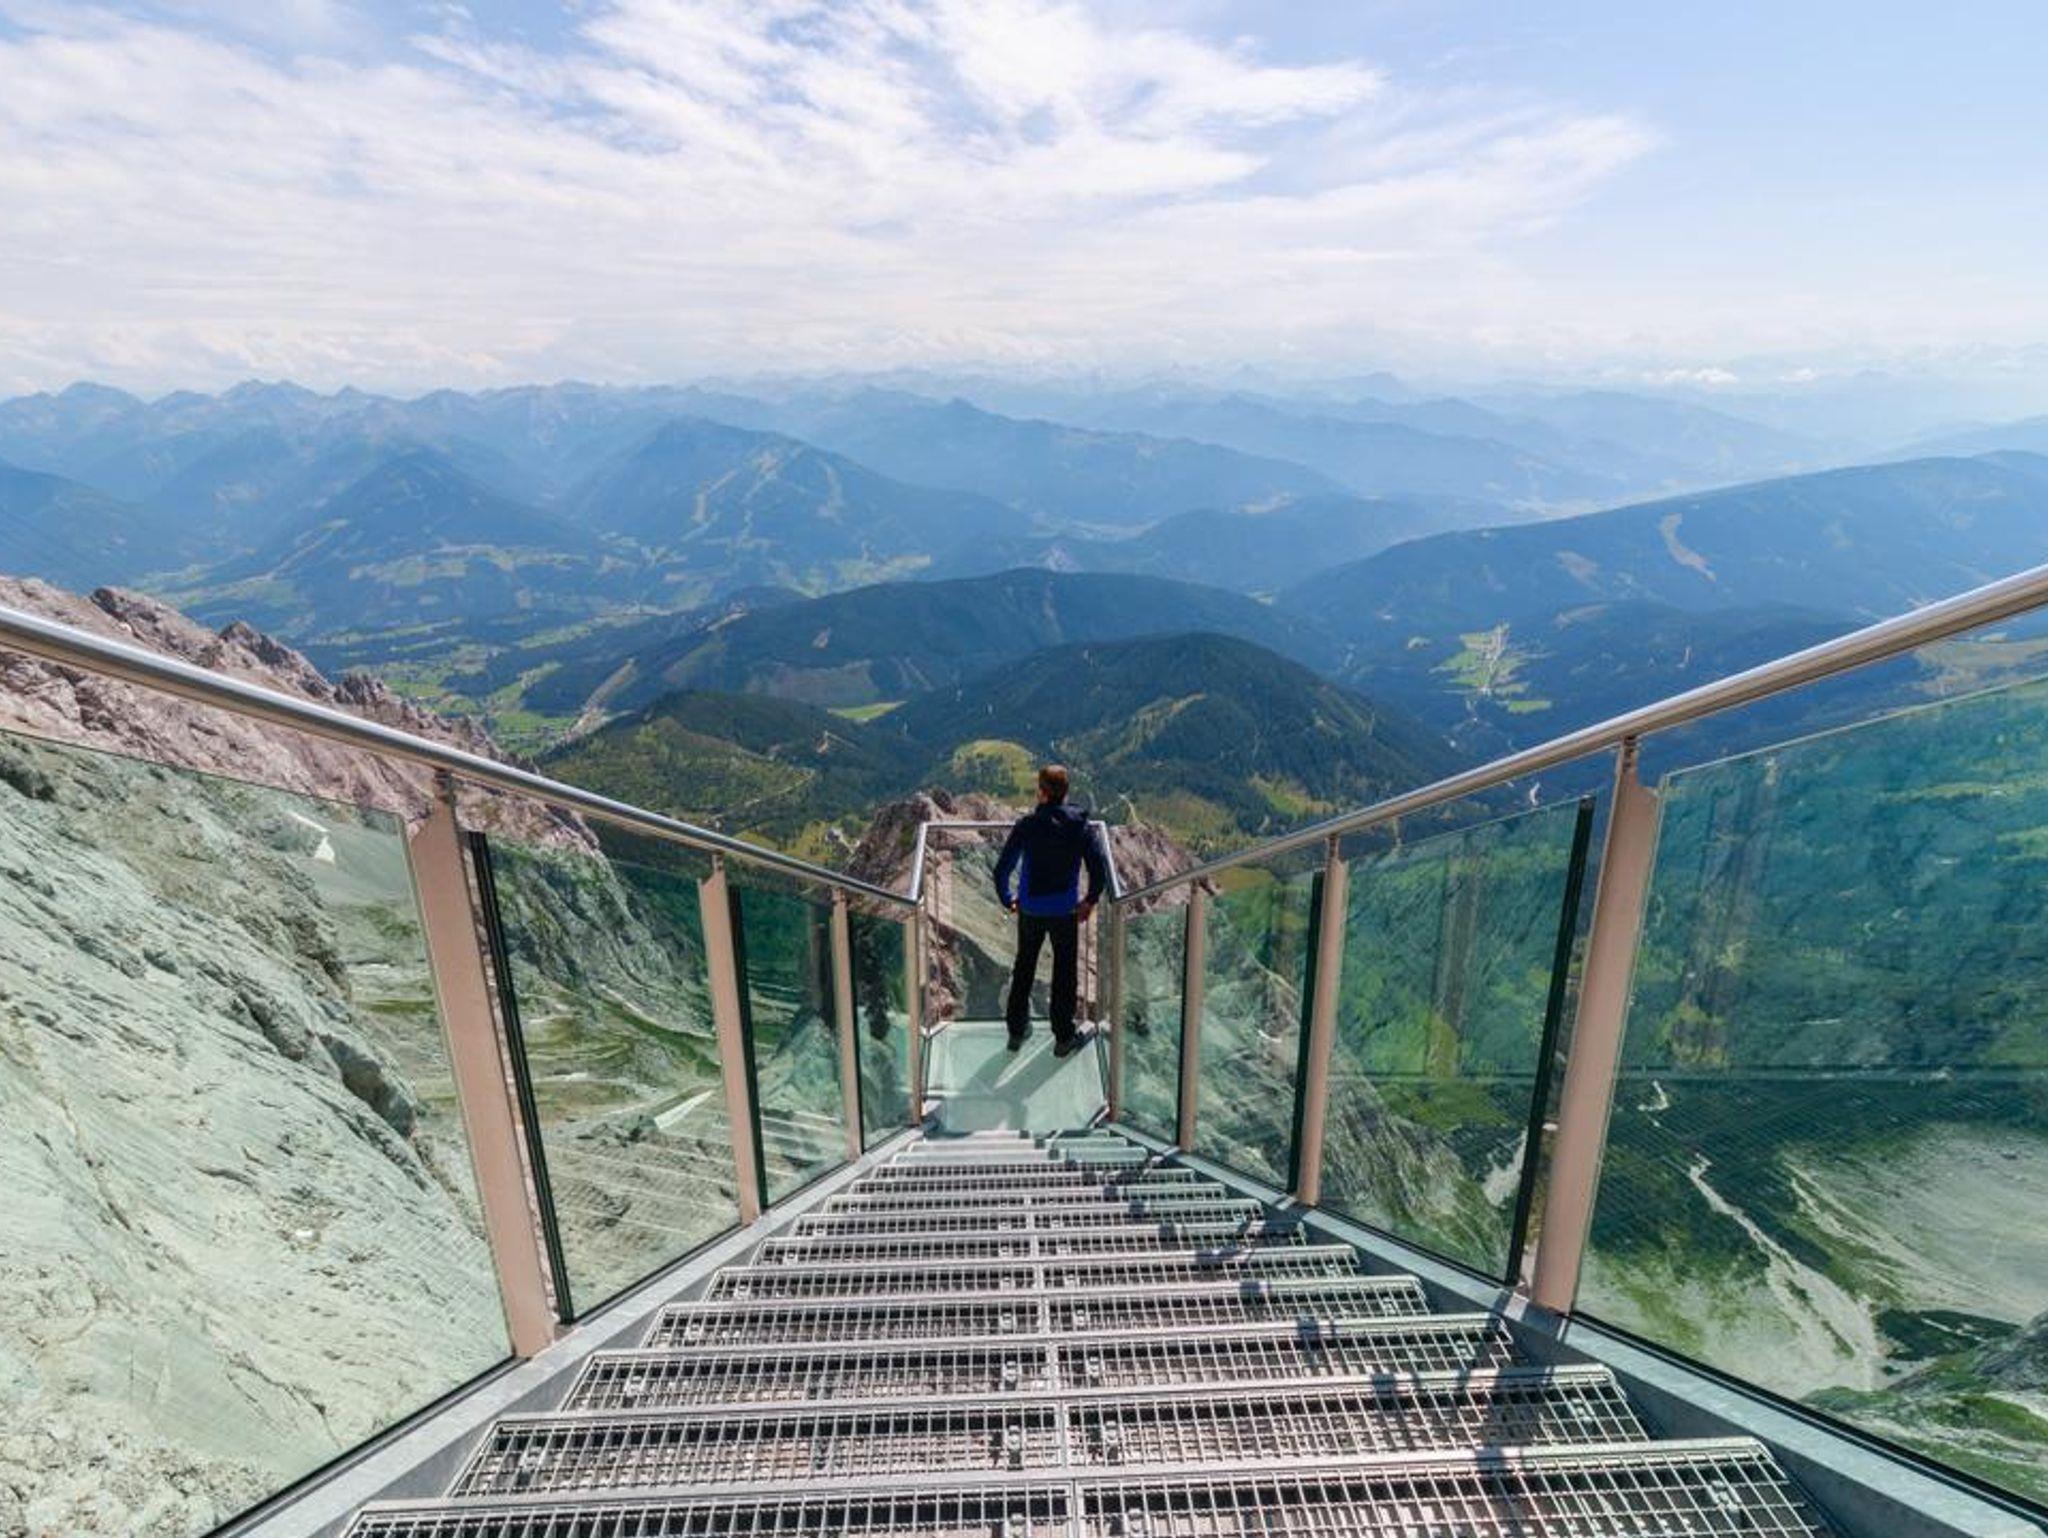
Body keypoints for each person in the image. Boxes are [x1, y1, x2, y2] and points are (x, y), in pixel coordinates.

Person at [993, 764, 1109, 1057]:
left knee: (1024, 968)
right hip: (1065, 911)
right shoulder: (1080, 826)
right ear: (1066, 792)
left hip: (1030, 909)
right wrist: (1089, 901)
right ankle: (1063, 1037)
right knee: (1064, 973)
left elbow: (1002, 869)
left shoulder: (1027, 825)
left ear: (1041, 792)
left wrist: (1008, 899)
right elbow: (1098, 868)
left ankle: (1016, 1031)